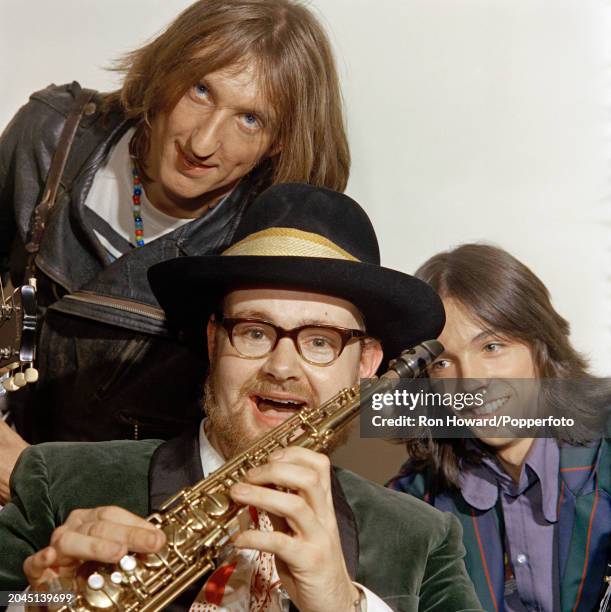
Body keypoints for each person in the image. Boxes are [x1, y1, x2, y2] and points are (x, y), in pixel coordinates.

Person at [0, 184, 484, 612]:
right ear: (214, 342)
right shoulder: (56, 482)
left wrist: (344, 606)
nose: (281, 366)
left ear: (366, 365)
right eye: (254, 332)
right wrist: (46, 602)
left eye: (320, 341)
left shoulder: (423, 537)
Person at [0, 0, 350, 502]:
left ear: (278, 143)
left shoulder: (268, 240)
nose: (204, 142)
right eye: (201, 89)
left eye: (250, 119)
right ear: (166, 71)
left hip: (134, 514)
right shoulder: (50, 138)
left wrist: (31, 479)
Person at [388, 243, 610, 612]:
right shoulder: (417, 499)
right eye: (442, 363)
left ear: (541, 346)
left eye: (491, 346)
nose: (471, 380)